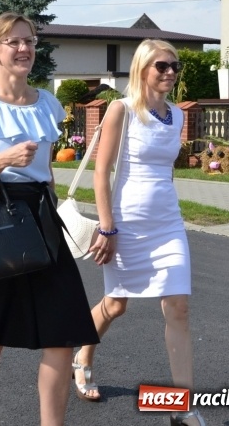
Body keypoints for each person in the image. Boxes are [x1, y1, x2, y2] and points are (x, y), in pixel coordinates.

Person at [0, 12, 99, 426]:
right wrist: (2, 160)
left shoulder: (48, 102)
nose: (24, 48)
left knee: (63, 333)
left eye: (29, 41)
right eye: (13, 42)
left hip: (42, 218)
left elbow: (46, 171)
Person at [72, 39, 205, 426]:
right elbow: (101, 173)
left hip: (168, 225)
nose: (170, 72)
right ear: (142, 68)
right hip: (125, 226)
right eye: (162, 65)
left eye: (174, 66)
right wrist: (107, 226)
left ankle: (182, 408)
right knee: (116, 305)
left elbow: (166, 170)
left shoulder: (178, 116)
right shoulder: (122, 110)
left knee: (178, 308)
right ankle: (83, 356)